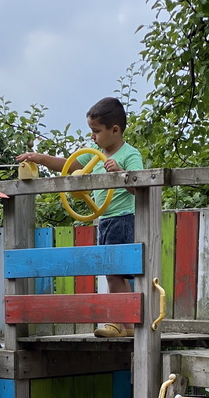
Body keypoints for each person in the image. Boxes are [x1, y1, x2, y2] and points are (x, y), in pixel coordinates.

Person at [16, 96, 143, 338]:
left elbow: (141, 185)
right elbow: (70, 165)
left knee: (115, 273)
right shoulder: (94, 154)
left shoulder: (129, 155)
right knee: (117, 274)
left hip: (125, 218)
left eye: (96, 131)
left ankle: (116, 321)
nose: (92, 137)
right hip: (105, 220)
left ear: (115, 130)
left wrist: (122, 173)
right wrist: (40, 158)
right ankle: (126, 324)